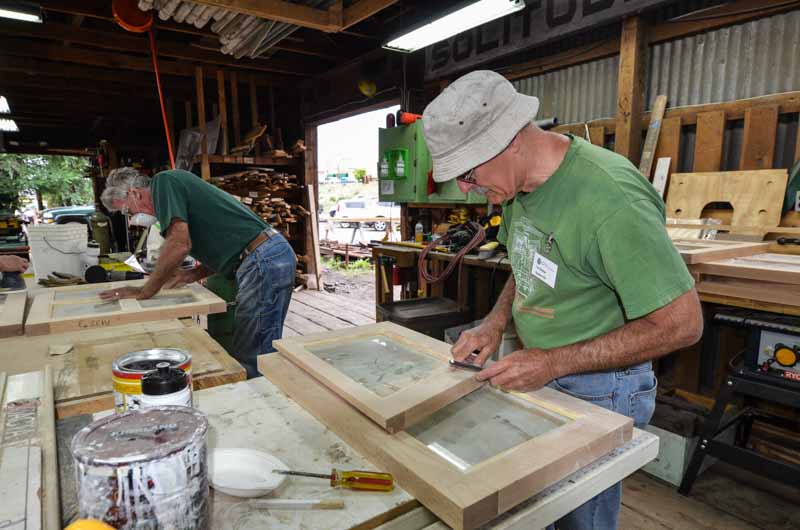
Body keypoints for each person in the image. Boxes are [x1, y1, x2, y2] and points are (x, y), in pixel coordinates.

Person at [423, 70, 703, 529]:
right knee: (541, 511)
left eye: (469, 173)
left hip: (605, 386)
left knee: (580, 520)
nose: (466, 189)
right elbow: (526, 261)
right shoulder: (515, 190)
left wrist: (551, 362)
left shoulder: (611, 198)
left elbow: (682, 325)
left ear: (511, 140)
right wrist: (495, 323)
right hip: (547, 369)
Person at [99, 167, 296, 378]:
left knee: (253, 352)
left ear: (135, 194)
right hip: (263, 256)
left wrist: (145, 291)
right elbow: (229, 247)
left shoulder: (164, 182)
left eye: (128, 211)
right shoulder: (172, 195)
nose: (132, 219)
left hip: (263, 257)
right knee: (259, 344)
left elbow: (179, 244)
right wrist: (190, 275)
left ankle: (262, 403)